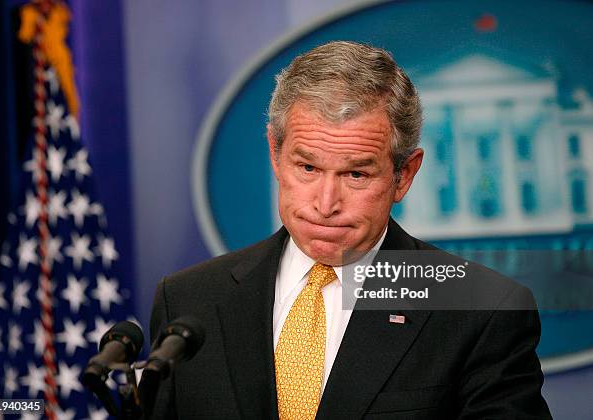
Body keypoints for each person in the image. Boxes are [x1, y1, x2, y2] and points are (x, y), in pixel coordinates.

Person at [143, 41, 552, 419]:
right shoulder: (189, 300)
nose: (325, 203)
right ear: (275, 153)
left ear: (403, 175)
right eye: (307, 168)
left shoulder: (480, 309)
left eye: (356, 173)